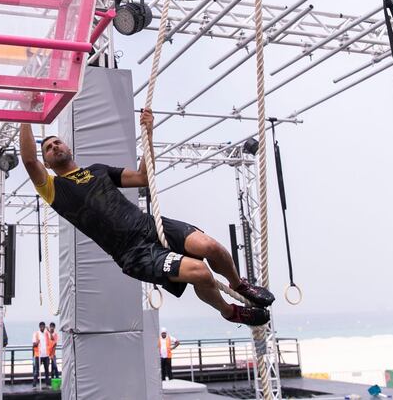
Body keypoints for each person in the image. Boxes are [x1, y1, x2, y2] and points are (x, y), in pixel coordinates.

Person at [18, 109, 275, 326]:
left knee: (211, 247)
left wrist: (148, 133)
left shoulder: (98, 170)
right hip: (133, 253)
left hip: (149, 225)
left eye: (57, 142)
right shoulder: (54, 190)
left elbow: (142, 177)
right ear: (47, 164)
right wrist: (27, 114)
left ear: (68, 147)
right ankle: (230, 312)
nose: (54, 146)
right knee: (201, 273)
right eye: (48, 148)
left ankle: (239, 285)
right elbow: (29, 160)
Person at [32, 322, 50, 388]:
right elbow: (34, 344)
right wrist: (37, 342)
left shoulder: (46, 334)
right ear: (39, 326)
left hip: (46, 355)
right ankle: (34, 385)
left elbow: (52, 338)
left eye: (43, 326)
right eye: (41, 326)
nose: (42, 327)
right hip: (38, 355)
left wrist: (48, 330)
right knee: (36, 371)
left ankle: (47, 384)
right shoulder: (36, 334)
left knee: (47, 371)